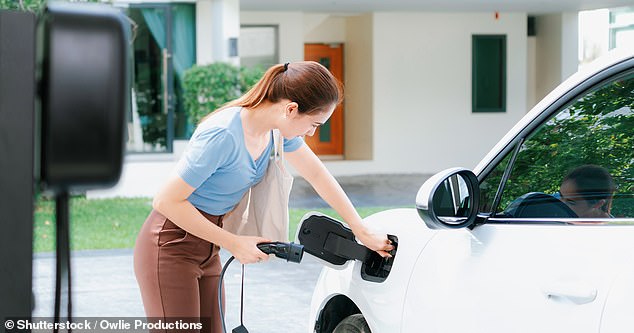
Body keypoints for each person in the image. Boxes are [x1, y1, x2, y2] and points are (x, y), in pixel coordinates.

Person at [133, 61, 394, 332]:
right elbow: (165, 201)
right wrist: (233, 243)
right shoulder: (223, 134)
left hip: (207, 247)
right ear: (291, 109)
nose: (312, 133)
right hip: (170, 244)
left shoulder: (274, 133)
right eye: (314, 124)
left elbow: (317, 174)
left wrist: (360, 229)